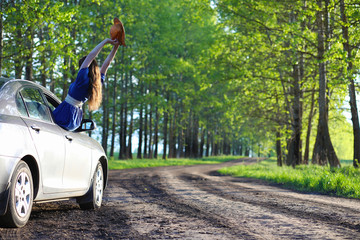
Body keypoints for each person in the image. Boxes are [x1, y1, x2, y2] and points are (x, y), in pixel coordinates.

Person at [53, 38, 120, 131]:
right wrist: (115, 47)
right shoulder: (96, 83)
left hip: (65, 113)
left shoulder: (82, 78)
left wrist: (105, 41)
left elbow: (91, 56)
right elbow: (106, 64)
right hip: (75, 117)